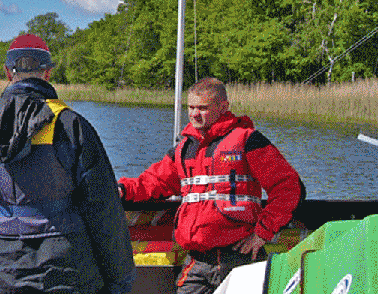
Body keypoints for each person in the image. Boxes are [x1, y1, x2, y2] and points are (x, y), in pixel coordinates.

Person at [0, 34, 135, 294]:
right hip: (64, 264)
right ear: (47, 73)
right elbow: (104, 210)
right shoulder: (72, 126)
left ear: (6, 72)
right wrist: (119, 281)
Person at [118, 77, 305, 294]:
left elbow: (289, 188)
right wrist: (121, 190)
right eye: (191, 107)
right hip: (197, 261)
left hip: (239, 258)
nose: (194, 114)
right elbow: (155, 181)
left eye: (203, 108)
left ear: (223, 107)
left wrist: (263, 233)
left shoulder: (247, 139)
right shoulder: (184, 147)